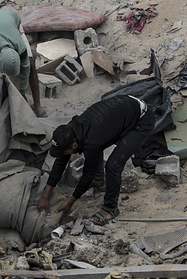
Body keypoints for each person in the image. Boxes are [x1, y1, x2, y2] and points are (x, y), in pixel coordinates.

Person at [37, 94, 155, 226]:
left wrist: (70, 202)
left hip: (141, 120)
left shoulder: (91, 141)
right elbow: (60, 162)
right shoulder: (70, 131)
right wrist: (45, 195)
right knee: (94, 148)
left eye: (65, 151)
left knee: (113, 165)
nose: (64, 154)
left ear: (74, 145)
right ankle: (99, 181)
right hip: (123, 110)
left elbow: (88, 174)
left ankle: (110, 208)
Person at [0, 8, 46, 117]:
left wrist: (22, 92)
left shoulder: (21, 48)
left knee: (31, 64)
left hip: (13, 23)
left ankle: (37, 105)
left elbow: (26, 69)